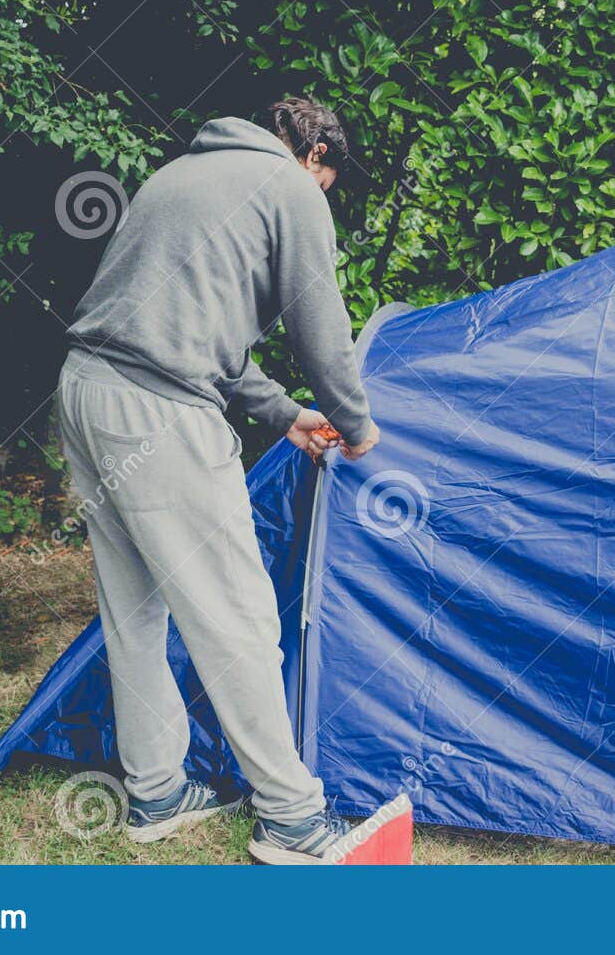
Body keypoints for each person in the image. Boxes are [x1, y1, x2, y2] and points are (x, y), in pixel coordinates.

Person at [58, 97, 383, 864]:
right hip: (159, 413)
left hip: (84, 393)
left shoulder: (183, 173)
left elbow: (205, 337)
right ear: (316, 157)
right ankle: (293, 820)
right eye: (330, 181)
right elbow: (321, 329)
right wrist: (357, 424)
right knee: (237, 615)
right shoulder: (292, 190)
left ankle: (157, 792)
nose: (325, 196)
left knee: (134, 608)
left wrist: (284, 415)